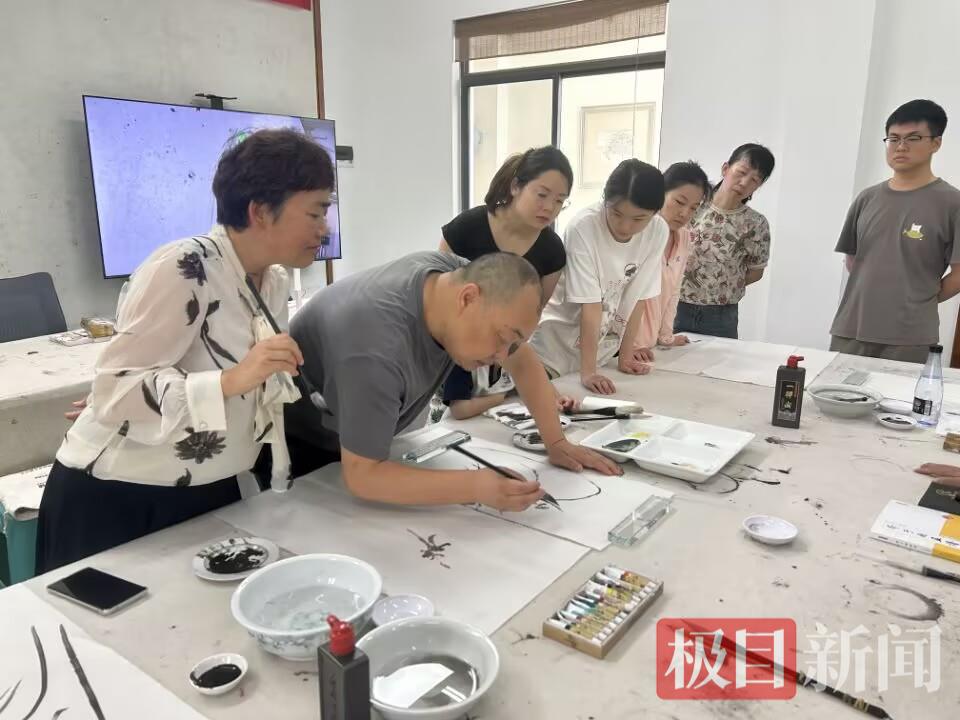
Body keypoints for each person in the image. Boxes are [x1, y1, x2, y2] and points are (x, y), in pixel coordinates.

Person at [36, 128, 335, 572]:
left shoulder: (271, 281)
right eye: (315, 212)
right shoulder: (184, 266)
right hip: (125, 497)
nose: (324, 229)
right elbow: (115, 390)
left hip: (210, 486)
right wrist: (231, 380)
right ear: (260, 211)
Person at [284, 251, 622, 512]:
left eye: (511, 343)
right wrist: (475, 487)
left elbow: (521, 359)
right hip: (305, 445)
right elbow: (363, 475)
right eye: (501, 338)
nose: (501, 356)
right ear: (467, 299)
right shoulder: (374, 351)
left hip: (364, 430)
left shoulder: (452, 278)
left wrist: (556, 442)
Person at [438, 146, 572, 421]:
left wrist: (538, 386)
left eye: (560, 201)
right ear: (515, 187)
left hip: (503, 355)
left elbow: (527, 323)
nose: (550, 208)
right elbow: (440, 302)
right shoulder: (467, 228)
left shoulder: (552, 250)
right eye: (542, 195)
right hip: (455, 350)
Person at [830, 99, 960, 363]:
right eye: (893, 138)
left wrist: (920, 300)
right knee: (834, 389)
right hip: (850, 330)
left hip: (909, 338)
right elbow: (853, 259)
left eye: (913, 138)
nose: (901, 146)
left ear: (936, 143)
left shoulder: (952, 203)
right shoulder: (867, 198)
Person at [529, 159, 668, 395]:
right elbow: (591, 304)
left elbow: (638, 296)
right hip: (554, 346)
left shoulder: (658, 230)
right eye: (616, 213)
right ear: (605, 199)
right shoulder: (584, 227)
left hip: (600, 350)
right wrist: (588, 372)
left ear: (655, 213)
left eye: (638, 219)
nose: (625, 227)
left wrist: (625, 356)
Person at [675, 143, 775, 339]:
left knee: (720, 358)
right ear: (725, 168)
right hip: (675, 305)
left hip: (721, 315)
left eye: (754, 180)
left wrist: (720, 285)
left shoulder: (755, 223)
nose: (744, 183)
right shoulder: (693, 204)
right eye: (741, 172)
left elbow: (756, 272)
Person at [635, 161, 711, 354]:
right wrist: (629, 346)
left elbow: (673, 292)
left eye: (694, 208)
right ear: (661, 193)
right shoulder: (640, 231)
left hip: (649, 345)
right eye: (679, 202)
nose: (685, 213)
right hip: (623, 346)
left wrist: (666, 336)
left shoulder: (684, 236)